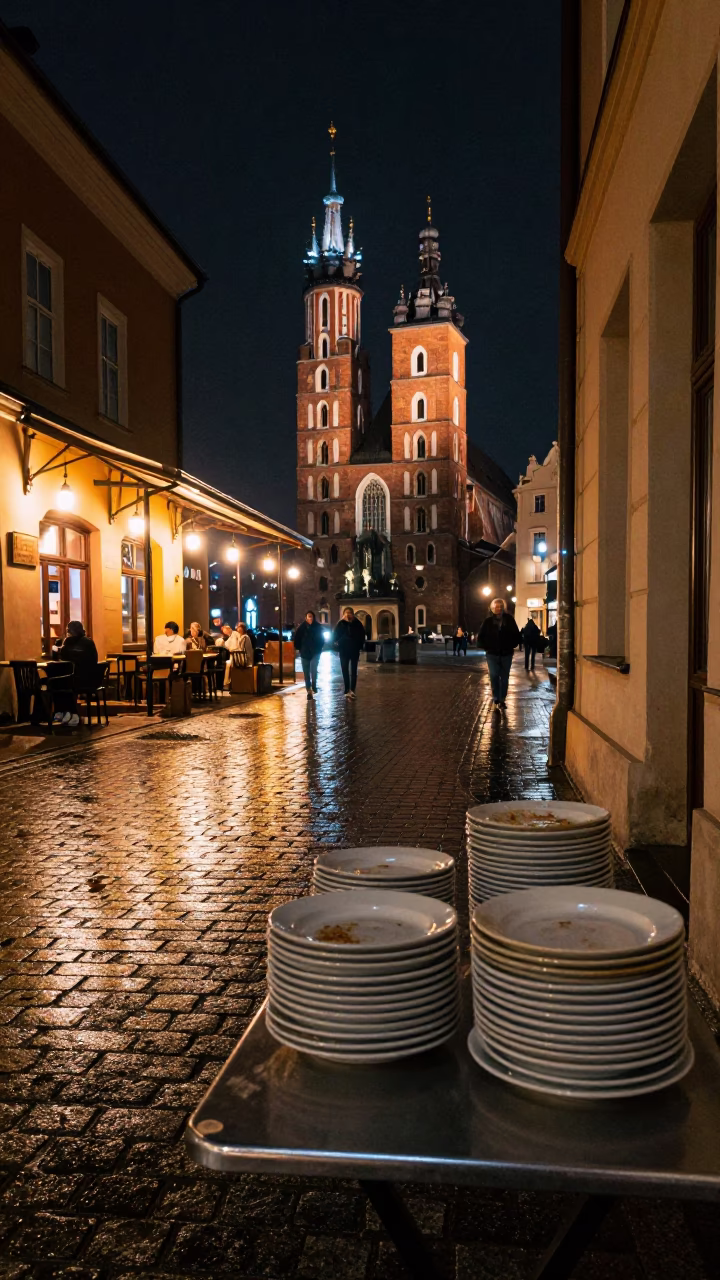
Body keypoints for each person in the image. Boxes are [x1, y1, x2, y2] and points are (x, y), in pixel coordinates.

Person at [51, 620, 98, 726]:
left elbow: (63, 656)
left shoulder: (70, 642)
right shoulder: (88, 642)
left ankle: (66, 712)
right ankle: (67, 712)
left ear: (70, 631)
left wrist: (58, 649)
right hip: (90, 678)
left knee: (58, 683)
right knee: (61, 682)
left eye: (68, 630)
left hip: (80, 679)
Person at [478, 598, 521, 709]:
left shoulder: (509, 620)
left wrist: (512, 645)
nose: (499, 608)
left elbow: (516, 634)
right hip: (492, 654)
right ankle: (496, 697)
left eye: (501, 606)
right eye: (496, 607)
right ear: (492, 608)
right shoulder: (488, 621)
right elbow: (481, 635)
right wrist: (486, 647)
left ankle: (502, 699)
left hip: (506, 653)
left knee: (504, 677)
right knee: (494, 675)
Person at [333, 606, 366, 699]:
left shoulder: (357, 623)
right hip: (343, 650)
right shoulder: (340, 624)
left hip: (354, 650)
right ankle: (347, 689)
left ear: (353, 614)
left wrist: (359, 646)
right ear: (344, 614)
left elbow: (362, 635)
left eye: (350, 613)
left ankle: (352, 689)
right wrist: (338, 644)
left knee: (354, 670)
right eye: (346, 613)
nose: (348, 615)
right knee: (344, 670)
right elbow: (335, 636)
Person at [294, 610, 325, 699]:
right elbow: (297, 639)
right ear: (306, 617)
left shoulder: (318, 627)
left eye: (311, 616)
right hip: (305, 652)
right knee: (306, 672)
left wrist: (319, 648)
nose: (310, 618)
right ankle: (308, 689)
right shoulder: (301, 628)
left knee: (313, 669)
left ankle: (314, 685)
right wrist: (299, 648)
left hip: (315, 652)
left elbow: (321, 639)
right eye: (308, 616)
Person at [215, 623, 242, 689]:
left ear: (228, 629)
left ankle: (226, 684)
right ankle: (225, 683)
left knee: (228, 664)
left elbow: (238, 645)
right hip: (232, 654)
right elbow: (226, 645)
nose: (225, 633)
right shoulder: (230, 636)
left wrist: (231, 649)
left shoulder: (235, 634)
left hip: (237, 655)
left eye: (225, 631)